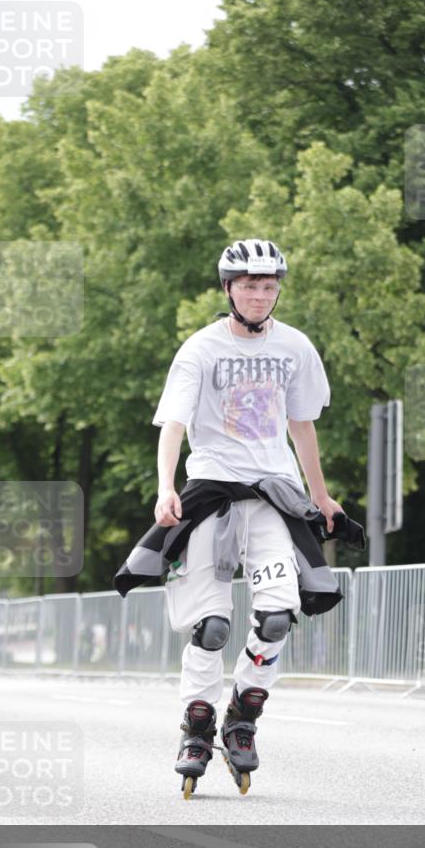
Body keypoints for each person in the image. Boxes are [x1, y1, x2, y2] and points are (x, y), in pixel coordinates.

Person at [148, 238, 355, 798]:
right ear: (228, 289)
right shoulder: (200, 349)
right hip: (213, 492)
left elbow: (302, 424)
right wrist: (167, 485)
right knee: (211, 627)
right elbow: (174, 423)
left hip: (272, 495)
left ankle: (242, 714)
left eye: (268, 286)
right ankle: (196, 726)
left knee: (277, 619)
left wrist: (322, 494)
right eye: (249, 285)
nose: (260, 295)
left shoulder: (295, 347)